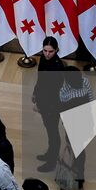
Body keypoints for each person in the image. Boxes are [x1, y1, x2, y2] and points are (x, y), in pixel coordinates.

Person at [32, 37, 66, 172]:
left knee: (53, 132)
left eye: (50, 51)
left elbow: (53, 91)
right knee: (49, 130)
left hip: (52, 105)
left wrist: (42, 105)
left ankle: (52, 161)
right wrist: (35, 93)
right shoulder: (43, 59)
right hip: (44, 101)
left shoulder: (57, 67)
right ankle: (50, 154)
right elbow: (40, 79)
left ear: (56, 50)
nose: (47, 54)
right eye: (45, 50)